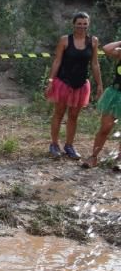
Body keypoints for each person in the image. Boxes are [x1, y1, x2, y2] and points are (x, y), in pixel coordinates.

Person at [46, 12, 103, 160]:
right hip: (63, 82)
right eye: (79, 24)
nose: (82, 27)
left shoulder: (93, 41)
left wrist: (99, 85)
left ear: (88, 24)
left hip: (81, 84)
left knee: (73, 116)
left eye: (85, 24)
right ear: (74, 24)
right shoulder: (65, 40)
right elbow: (57, 61)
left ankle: (69, 145)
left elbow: (95, 64)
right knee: (58, 113)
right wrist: (50, 81)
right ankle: (54, 144)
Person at [83, 39, 121, 171]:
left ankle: (120, 160)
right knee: (105, 127)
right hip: (115, 94)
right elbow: (106, 49)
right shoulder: (120, 53)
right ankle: (93, 157)